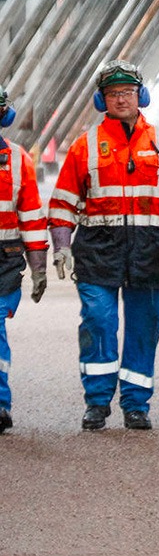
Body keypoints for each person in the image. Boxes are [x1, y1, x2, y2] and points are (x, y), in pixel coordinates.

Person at [49, 60, 159, 431]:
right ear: (102, 100)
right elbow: (63, 201)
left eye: (127, 92)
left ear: (140, 96)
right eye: (113, 94)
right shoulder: (85, 146)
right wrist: (61, 245)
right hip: (98, 248)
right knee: (98, 320)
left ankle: (136, 403)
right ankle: (97, 401)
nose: (121, 99)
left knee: (145, 326)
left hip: (151, 251)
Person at [0, 85, 48, 434]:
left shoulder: (18, 160)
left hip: (4, 260)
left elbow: (30, 215)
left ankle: (0, 404)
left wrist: (39, 266)